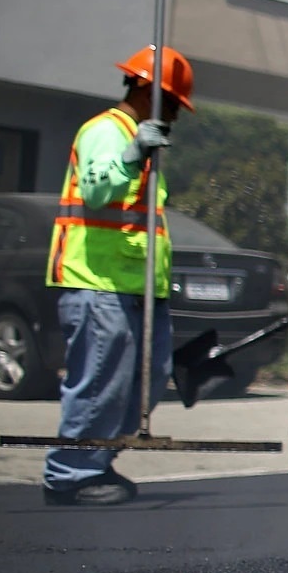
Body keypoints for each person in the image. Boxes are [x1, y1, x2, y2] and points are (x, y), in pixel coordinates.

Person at [41, 47, 195, 506]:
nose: (175, 116)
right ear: (148, 91)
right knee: (99, 382)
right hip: (97, 281)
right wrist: (131, 155)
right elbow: (96, 191)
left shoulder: (143, 141)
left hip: (134, 286)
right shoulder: (107, 132)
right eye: (172, 104)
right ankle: (70, 474)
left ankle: (98, 462)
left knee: (138, 383)